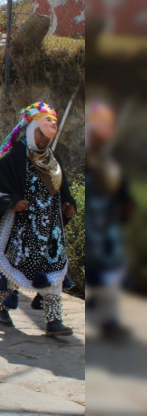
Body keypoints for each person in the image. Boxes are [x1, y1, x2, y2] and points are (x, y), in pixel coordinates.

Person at [0, 102, 77, 336]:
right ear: (32, 129)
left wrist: (68, 205)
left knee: (54, 270)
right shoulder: (13, 158)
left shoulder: (53, 160)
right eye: (41, 135)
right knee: (13, 267)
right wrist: (13, 201)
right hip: (21, 227)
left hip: (50, 229)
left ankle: (54, 320)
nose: (44, 141)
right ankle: (2, 308)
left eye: (47, 138)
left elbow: (62, 187)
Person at [85, 100, 132, 341]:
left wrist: (126, 204)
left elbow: (120, 186)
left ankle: (110, 320)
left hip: (107, 223)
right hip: (91, 222)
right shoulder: (87, 156)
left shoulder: (110, 157)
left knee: (111, 268)